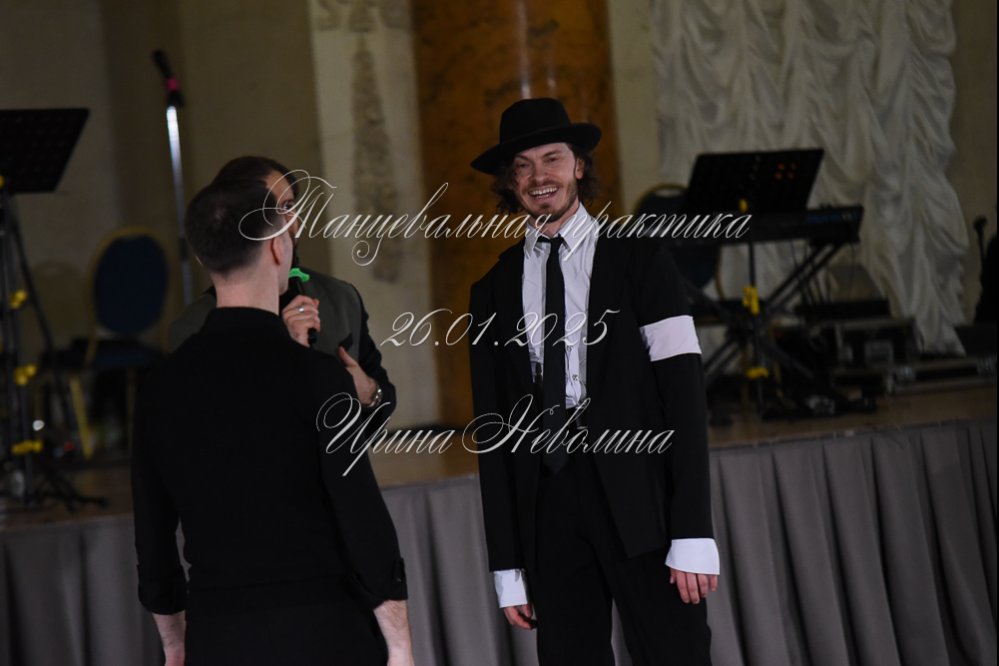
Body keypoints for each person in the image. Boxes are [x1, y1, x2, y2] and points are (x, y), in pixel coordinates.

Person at [468, 97, 718, 665]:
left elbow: (684, 398)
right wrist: (507, 563)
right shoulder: (491, 290)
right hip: (550, 508)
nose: (539, 176)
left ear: (579, 165)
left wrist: (694, 530)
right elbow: (495, 433)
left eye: (552, 159)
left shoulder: (642, 259)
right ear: (510, 182)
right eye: (523, 166)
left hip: (644, 501)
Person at [132, 178, 413, 665]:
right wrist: (401, 646)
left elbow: (152, 537)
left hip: (219, 634)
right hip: (324, 630)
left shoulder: (160, 386)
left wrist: (175, 646)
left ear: (202, 257)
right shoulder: (318, 377)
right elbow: (362, 519)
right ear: (279, 247)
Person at [169, 156, 393, 420]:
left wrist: (368, 392)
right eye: (269, 210)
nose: (287, 223)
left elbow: (382, 401)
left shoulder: (341, 297)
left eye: (289, 206)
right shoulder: (195, 327)